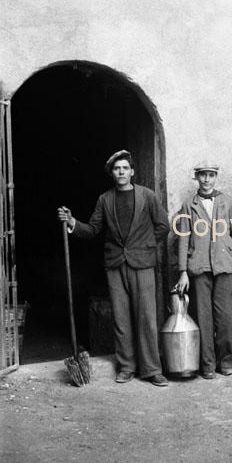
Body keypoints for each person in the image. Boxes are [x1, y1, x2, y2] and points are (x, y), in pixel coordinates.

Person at [57, 150, 170, 386]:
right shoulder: (105, 199)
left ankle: (151, 369)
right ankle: (127, 367)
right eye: (117, 169)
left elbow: (162, 226)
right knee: (121, 319)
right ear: (112, 173)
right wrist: (72, 222)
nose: (121, 172)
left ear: (132, 172)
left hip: (142, 264)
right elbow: (92, 230)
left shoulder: (147, 196)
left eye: (125, 168)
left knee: (147, 317)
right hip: (115, 265)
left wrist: (145, 246)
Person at [174, 162, 232, 379]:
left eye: (211, 175)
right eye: (202, 175)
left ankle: (226, 361)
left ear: (216, 177)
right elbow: (183, 238)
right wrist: (183, 271)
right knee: (204, 318)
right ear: (196, 177)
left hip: (226, 265)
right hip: (199, 267)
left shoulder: (228, 202)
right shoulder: (189, 205)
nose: (206, 179)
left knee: (226, 319)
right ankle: (208, 364)